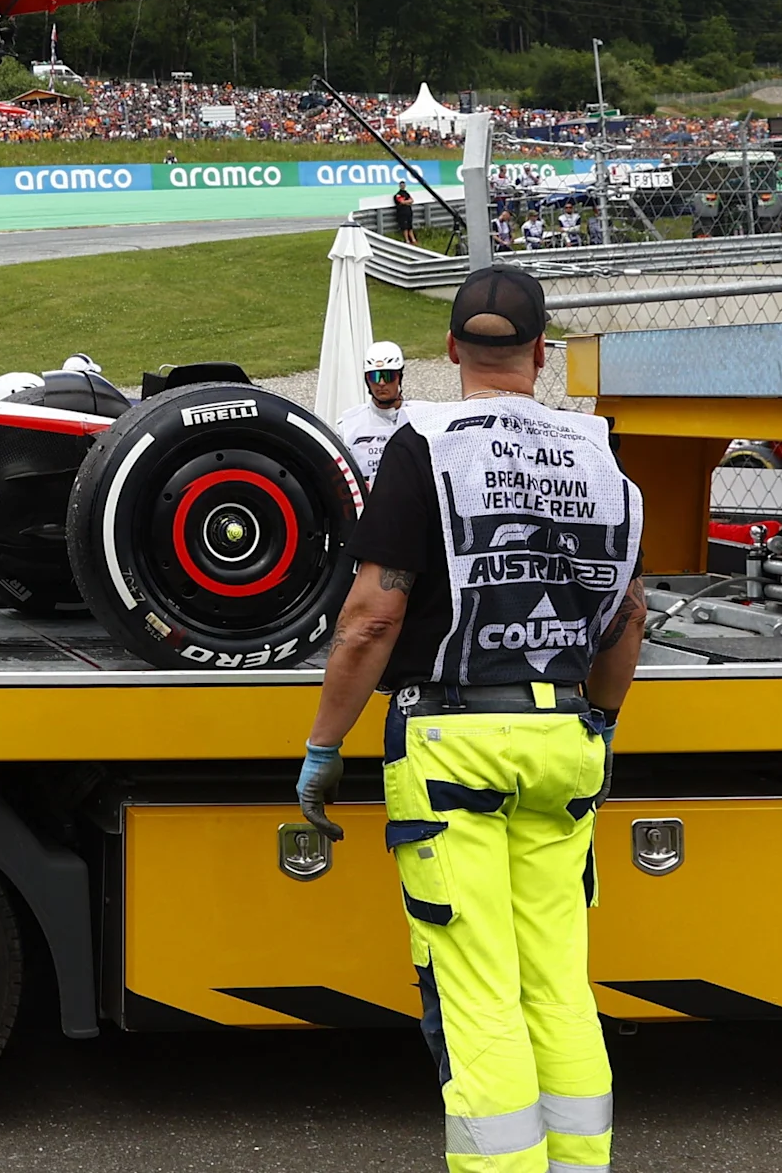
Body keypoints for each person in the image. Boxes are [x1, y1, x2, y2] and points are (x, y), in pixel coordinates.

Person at [297, 269, 645, 1173]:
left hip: (451, 745)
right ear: (542, 353)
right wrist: (597, 725)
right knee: (559, 987)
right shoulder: (597, 454)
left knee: (478, 992)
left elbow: (373, 617)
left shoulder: (423, 443)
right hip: (563, 741)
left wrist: (324, 747)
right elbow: (629, 617)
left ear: (449, 351)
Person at [333, 340, 417, 482]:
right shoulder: (347, 425)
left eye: (388, 376)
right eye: (375, 376)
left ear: (399, 377)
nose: (381, 383)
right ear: (367, 380)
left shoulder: (422, 416)